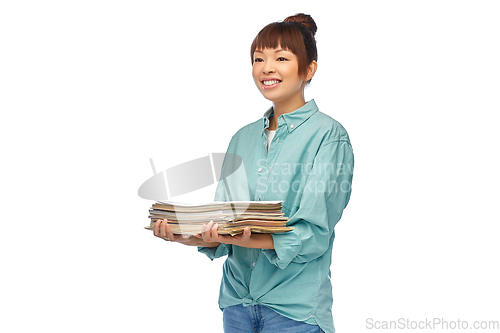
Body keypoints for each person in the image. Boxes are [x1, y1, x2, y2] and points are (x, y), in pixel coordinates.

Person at [153, 13, 354, 333]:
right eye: (258, 58)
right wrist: (184, 235)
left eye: (281, 58)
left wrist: (253, 238)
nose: (266, 68)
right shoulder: (241, 138)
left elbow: (314, 235)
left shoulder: (329, 136)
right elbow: (222, 226)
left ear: (309, 69)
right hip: (236, 306)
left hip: (294, 313)